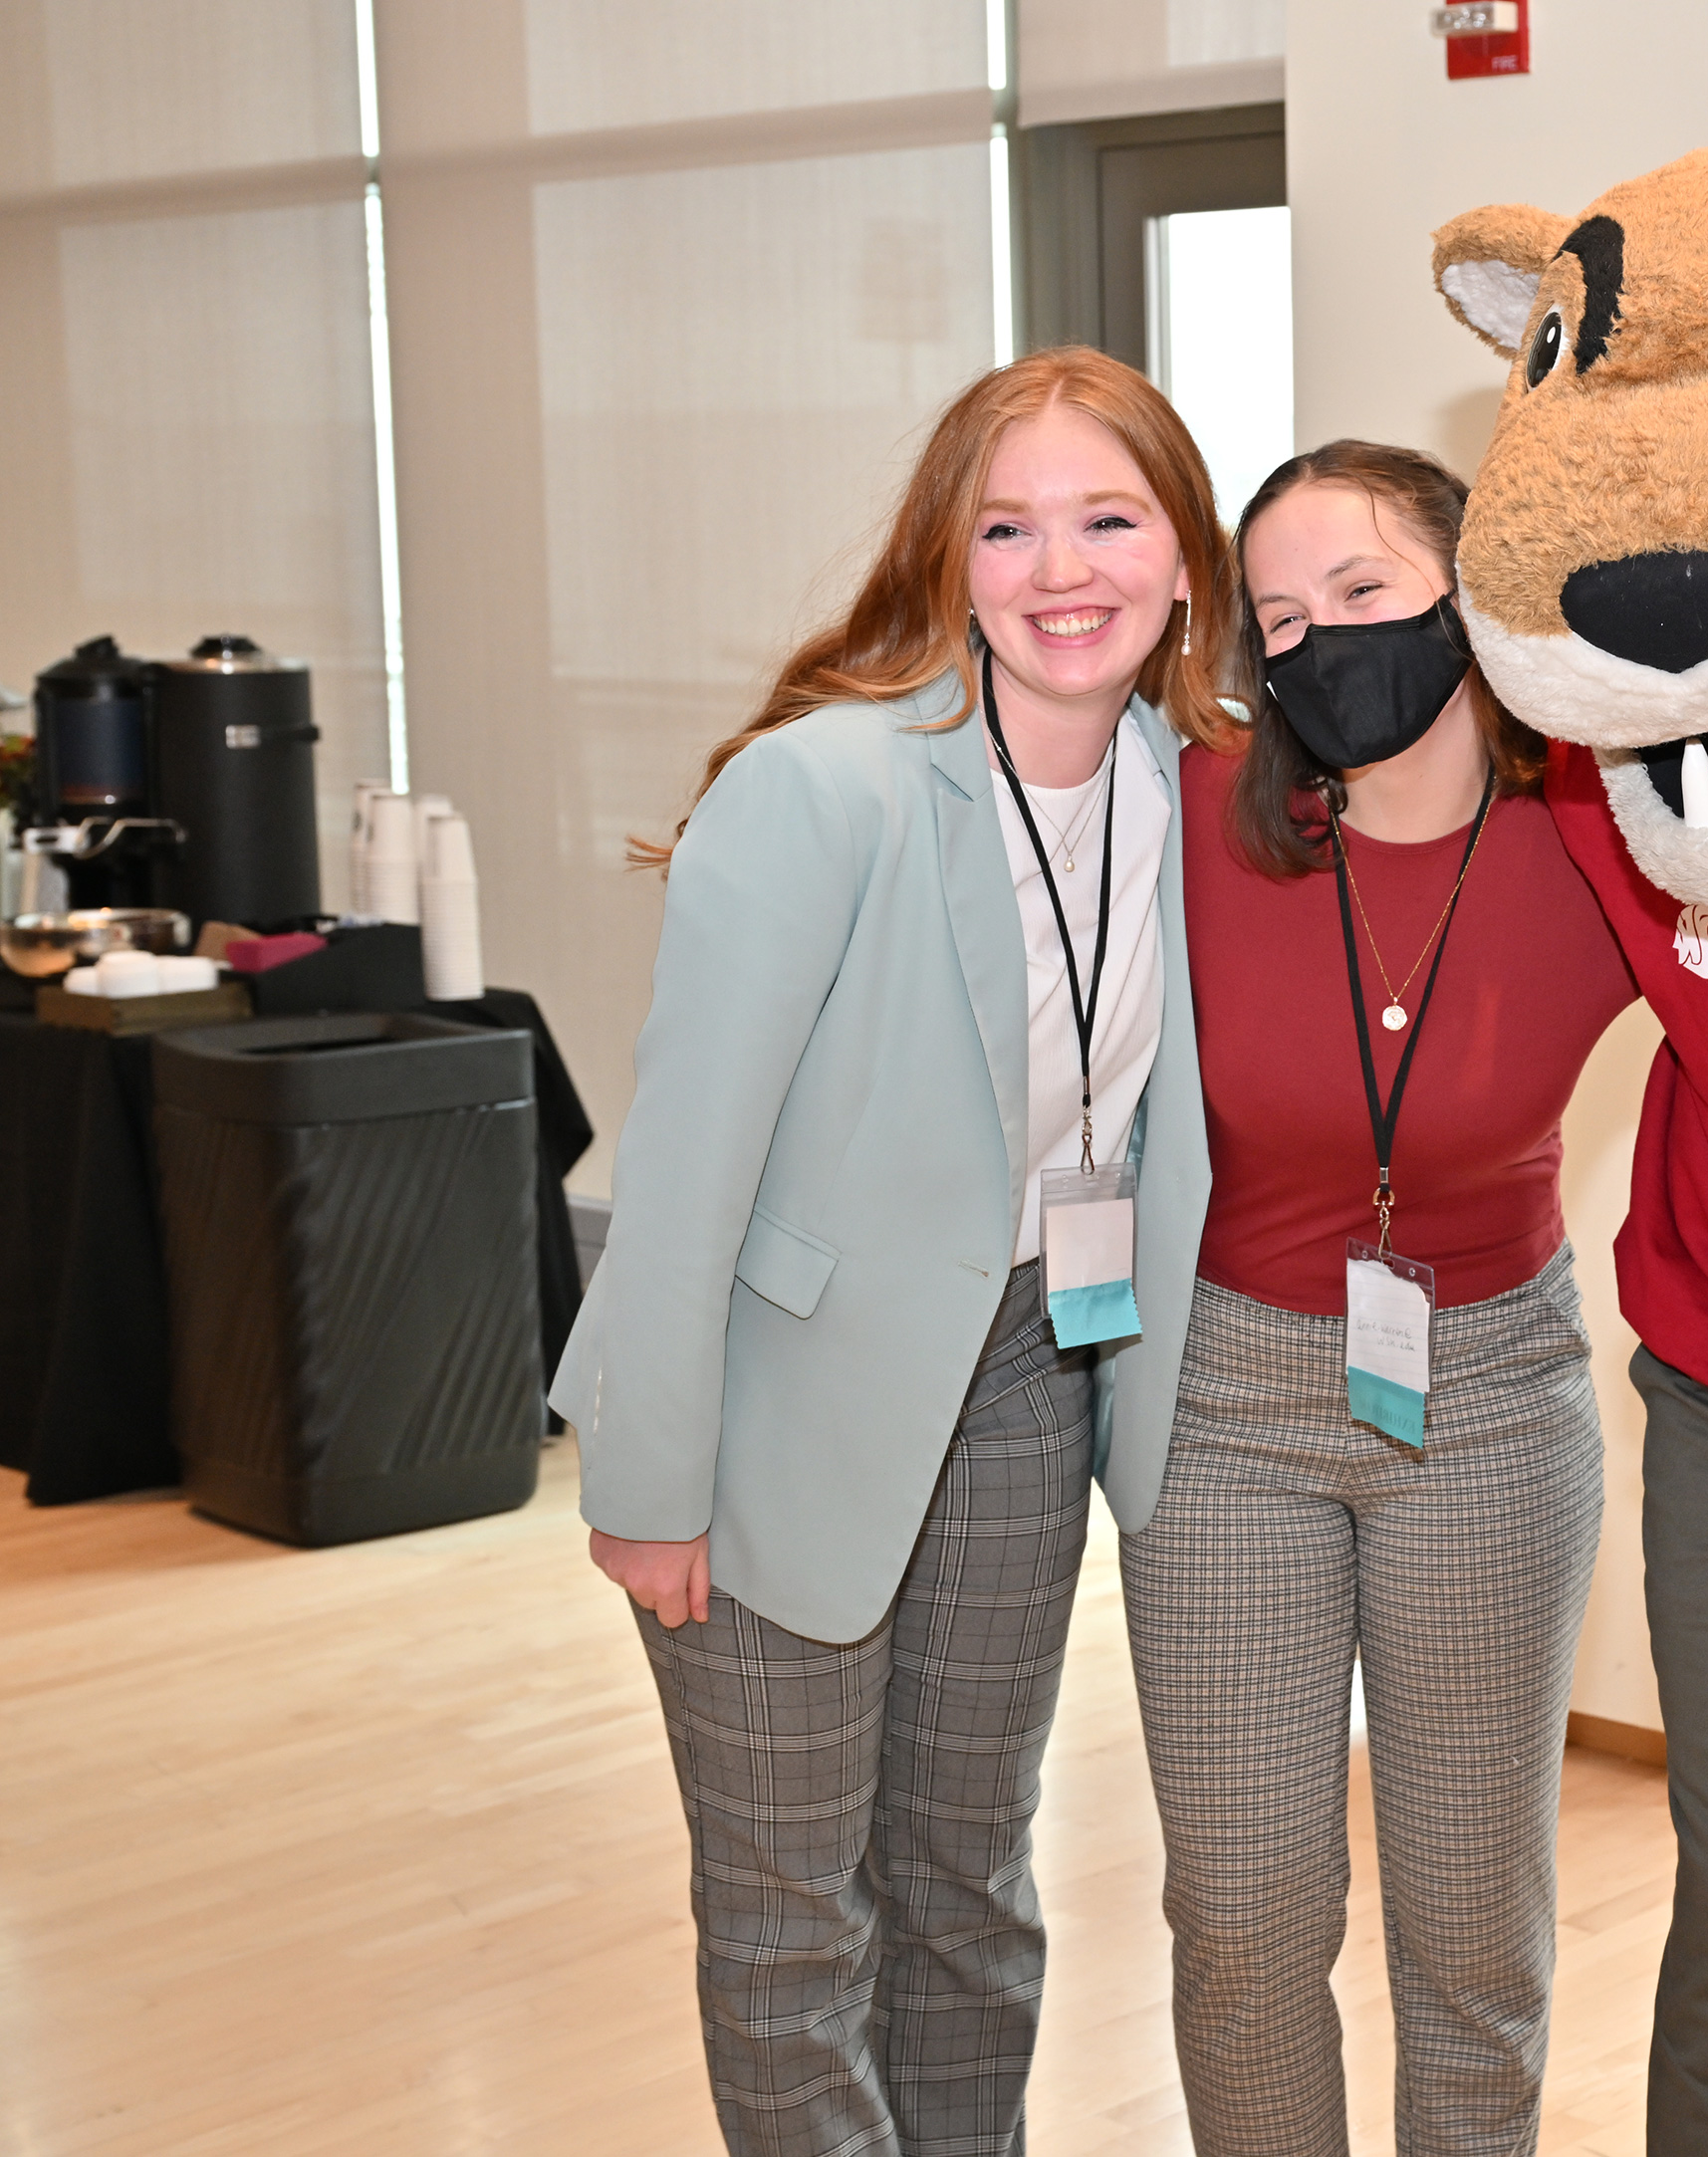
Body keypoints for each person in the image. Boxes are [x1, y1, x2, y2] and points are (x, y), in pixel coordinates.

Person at [548, 347, 1230, 2157]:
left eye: (1108, 518)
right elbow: (680, 1180)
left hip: (1027, 1372)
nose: (1059, 569)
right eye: (1008, 527)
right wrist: (651, 1474)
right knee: (789, 1924)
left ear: (1186, 563)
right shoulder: (825, 788)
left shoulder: (1199, 791)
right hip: (778, 1405)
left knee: (969, 1890)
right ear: (949, 556)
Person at [1116, 441, 1640, 2157]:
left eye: (1363, 592)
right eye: (1279, 614)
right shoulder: (1192, 816)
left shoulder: (1601, 830)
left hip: (1488, 1391)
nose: (1321, 639)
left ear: (1471, 592)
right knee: (1246, 1922)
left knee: (1472, 1930)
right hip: (1227, 1401)